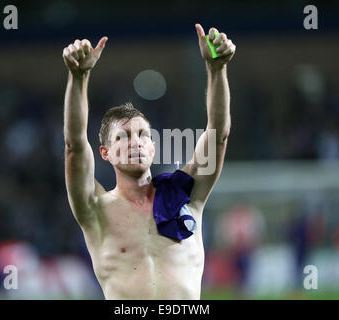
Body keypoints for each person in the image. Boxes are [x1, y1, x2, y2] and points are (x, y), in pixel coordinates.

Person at [62, 24, 236, 299]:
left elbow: (218, 136)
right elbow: (74, 145)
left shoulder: (186, 196)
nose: (135, 142)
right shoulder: (94, 209)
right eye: (123, 137)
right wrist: (79, 77)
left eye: (143, 135)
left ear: (153, 148)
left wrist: (217, 70)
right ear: (105, 153)